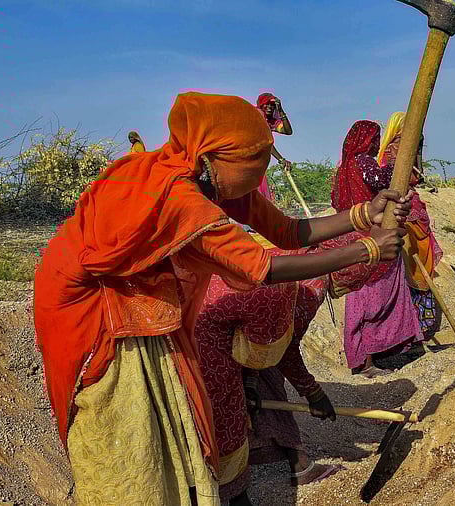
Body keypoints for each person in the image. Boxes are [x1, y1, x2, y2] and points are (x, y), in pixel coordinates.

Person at [33, 92, 411, 505]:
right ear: (216, 157)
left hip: (144, 303)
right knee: (125, 422)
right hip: (93, 310)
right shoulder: (181, 198)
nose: (263, 173)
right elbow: (263, 267)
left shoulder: (212, 178)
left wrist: (362, 215)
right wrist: (367, 250)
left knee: (178, 410)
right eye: (257, 165)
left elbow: (287, 232)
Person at [197, 230, 382, 504]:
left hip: (229, 325)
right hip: (206, 336)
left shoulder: (295, 261)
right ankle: (232, 495)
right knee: (224, 414)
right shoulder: (310, 289)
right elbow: (285, 353)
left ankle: (297, 464)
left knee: (264, 384)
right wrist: (314, 394)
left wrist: (251, 382)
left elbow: (271, 342)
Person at [332, 119, 424, 378]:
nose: (377, 144)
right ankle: (370, 357)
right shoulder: (364, 162)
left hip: (349, 236)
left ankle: (365, 355)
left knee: (359, 298)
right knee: (374, 299)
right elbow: (384, 181)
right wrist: (398, 161)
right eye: (375, 138)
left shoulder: (341, 169)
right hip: (371, 235)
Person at [378, 111, 444, 339]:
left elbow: (419, 174)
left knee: (419, 271)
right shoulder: (394, 151)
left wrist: (418, 146)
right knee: (412, 273)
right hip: (405, 217)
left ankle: (418, 327)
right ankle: (414, 328)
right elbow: (408, 179)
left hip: (415, 218)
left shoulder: (407, 147)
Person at [256, 93, 295, 201]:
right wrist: (281, 159)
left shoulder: (271, 122)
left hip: (259, 163)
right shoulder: (256, 117)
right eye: (267, 104)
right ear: (260, 105)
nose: (270, 107)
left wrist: (281, 110)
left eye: (272, 105)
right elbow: (266, 142)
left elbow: (288, 131)